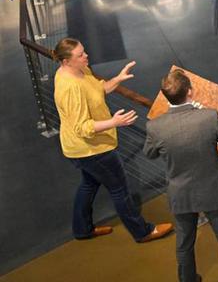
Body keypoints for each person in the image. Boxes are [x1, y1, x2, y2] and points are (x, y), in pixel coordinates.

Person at [52, 37, 173, 243]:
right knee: (120, 190)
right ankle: (142, 232)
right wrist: (114, 122)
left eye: (84, 51)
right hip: (92, 149)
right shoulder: (71, 87)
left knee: (89, 184)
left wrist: (117, 79)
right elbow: (82, 128)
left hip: (79, 148)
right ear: (66, 61)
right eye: (80, 54)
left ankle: (82, 229)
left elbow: (97, 90)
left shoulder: (79, 70)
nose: (86, 55)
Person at [144, 70, 218, 282]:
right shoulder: (209, 117)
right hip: (213, 190)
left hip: (180, 194)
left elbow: (150, 153)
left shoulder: (155, 127)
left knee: (184, 245)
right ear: (190, 91)